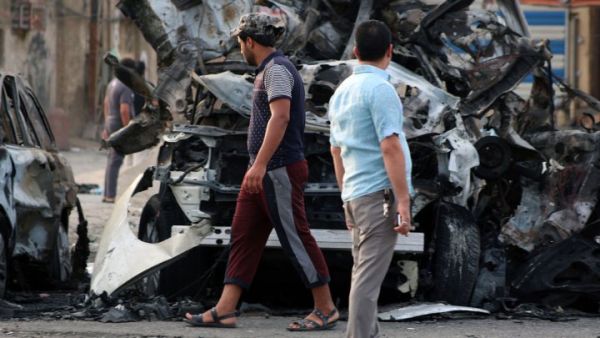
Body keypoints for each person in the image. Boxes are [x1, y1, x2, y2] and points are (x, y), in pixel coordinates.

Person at [184, 13, 339, 331]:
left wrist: (260, 164)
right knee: (243, 236)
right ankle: (225, 309)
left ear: (249, 41)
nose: (239, 47)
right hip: (264, 171)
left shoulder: (278, 70)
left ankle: (326, 308)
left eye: (239, 41)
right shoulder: (269, 70)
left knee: (295, 236)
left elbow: (280, 118)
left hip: (278, 169)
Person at [328, 20, 413, 338]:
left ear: (355, 52)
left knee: (363, 274)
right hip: (379, 196)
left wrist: (345, 195)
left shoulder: (341, 92)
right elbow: (389, 145)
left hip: (355, 194)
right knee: (366, 280)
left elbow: (336, 151)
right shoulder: (381, 89)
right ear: (390, 51)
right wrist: (403, 199)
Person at [102, 58, 136, 203]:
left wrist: (105, 125)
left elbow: (105, 103)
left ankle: (107, 194)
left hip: (110, 121)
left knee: (111, 159)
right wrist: (128, 129)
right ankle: (110, 195)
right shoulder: (125, 86)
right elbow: (124, 110)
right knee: (115, 160)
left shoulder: (112, 83)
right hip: (119, 124)